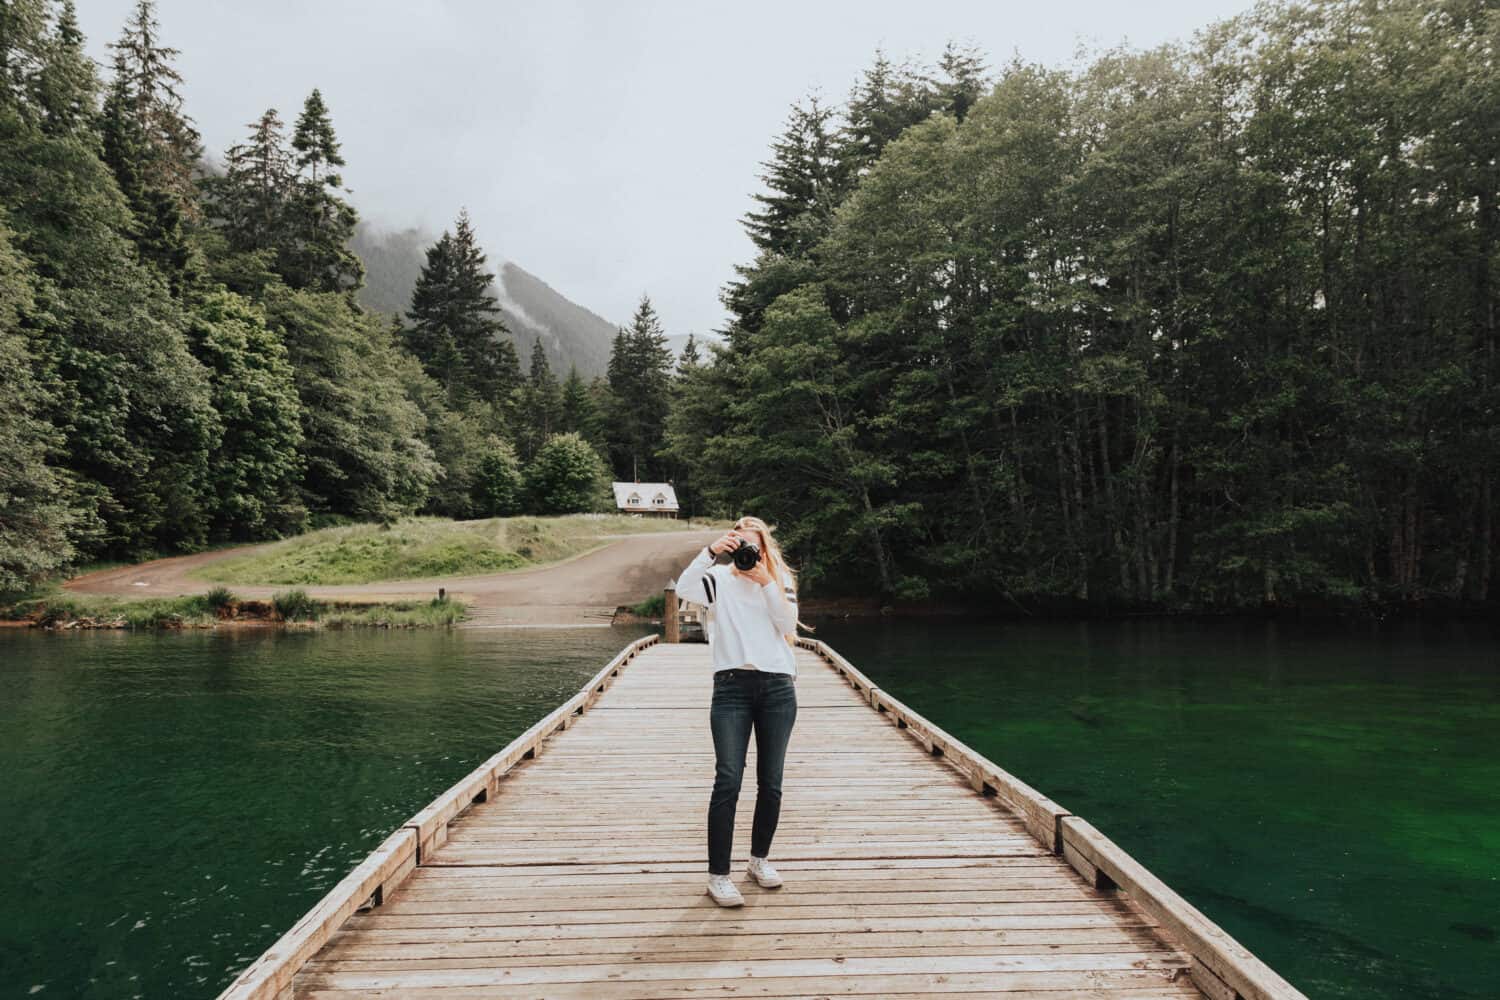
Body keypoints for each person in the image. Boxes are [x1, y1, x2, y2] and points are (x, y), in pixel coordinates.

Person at [673, 515, 810, 907]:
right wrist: (710, 552)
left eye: (753, 546)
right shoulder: (717, 580)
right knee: (728, 779)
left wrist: (766, 581)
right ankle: (718, 876)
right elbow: (684, 587)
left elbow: (787, 623)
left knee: (772, 781)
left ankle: (759, 861)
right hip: (732, 686)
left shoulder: (778, 581)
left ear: (764, 549)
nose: (746, 553)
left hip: (778, 687)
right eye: (739, 545)